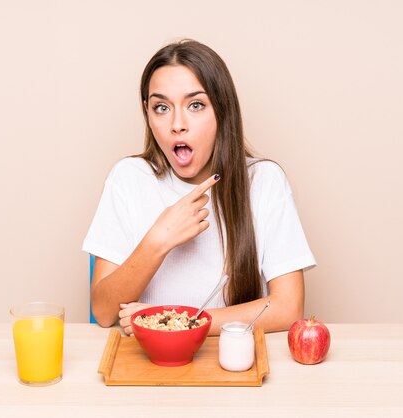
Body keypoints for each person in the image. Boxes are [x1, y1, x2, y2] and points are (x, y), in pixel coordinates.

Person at [83, 39, 316, 336]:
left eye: (196, 105)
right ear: (148, 114)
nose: (177, 124)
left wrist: (175, 320)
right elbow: (103, 312)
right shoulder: (128, 178)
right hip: (147, 368)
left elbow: (288, 307)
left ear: (221, 110)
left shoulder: (264, 181)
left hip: (230, 363)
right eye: (161, 107)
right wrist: (157, 241)